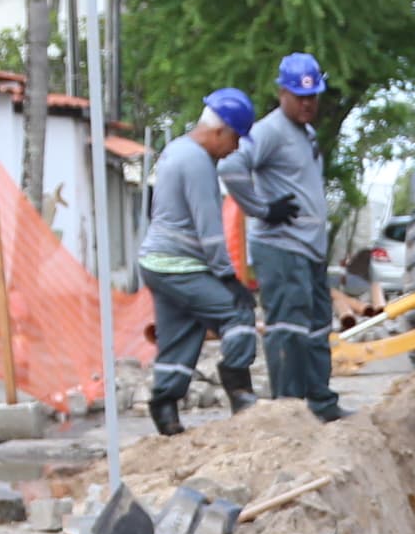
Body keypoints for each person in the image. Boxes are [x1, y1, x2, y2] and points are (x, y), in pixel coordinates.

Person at [226, 52, 342, 420]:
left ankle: (320, 404)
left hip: (309, 250)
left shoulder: (305, 134)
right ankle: (290, 412)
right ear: (282, 93)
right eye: (299, 95)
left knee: (317, 327)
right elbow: (231, 166)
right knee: (289, 329)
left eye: (313, 95)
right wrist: (261, 208)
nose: (308, 103)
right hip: (281, 248)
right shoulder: (270, 130)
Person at [138, 91, 260, 433]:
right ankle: (239, 391)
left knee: (181, 332)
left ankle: (165, 411)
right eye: (235, 139)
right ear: (220, 131)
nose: (235, 149)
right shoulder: (198, 162)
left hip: (157, 262)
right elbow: (209, 229)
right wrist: (229, 278)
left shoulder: (176, 149)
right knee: (237, 314)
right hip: (180, 264)